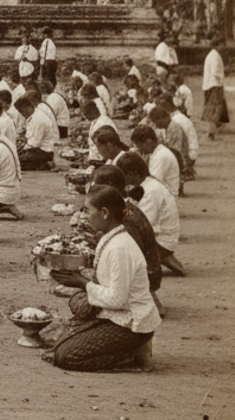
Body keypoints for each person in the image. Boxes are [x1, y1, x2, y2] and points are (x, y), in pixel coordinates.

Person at [45, 185, 159, 371]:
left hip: (130, 324)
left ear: (105, 212)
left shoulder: (120, 248)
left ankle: (129, 356)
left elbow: (117, 299)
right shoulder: (111, 238)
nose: (85, 215)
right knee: (62, 334)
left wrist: (82, 282)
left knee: (65, 356)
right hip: (114, 314)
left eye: (88, 210)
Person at [89, 165, 163, 312]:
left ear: (109, 187)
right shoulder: (124, 207)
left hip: (148, 274)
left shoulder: (126, 217)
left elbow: (130, 255)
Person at [116, 152, 184, 276]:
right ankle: (159, 257)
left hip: (163, 241)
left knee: (119, 247)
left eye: (124, 176)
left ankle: (158, 256)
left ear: (133, 173)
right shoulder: (149, 183)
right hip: (164, 235)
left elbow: (143, 224)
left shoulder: (150, 191)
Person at [130, 124, 180, 199]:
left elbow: (152, 183)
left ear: (148, 141)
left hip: (167, 197)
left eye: (139, 145)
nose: (139, 149)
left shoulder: (161, 155)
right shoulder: (156, 153)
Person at [16, 95, 57, 170]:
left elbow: (34, 143)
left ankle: (45, 164)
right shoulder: (34, 115)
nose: (22, 114)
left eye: (22, 111)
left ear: (28, 108)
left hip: (44, 151)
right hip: (37, 149)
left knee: (16, 163)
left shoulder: (38, 119)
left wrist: (19, 151)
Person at [202, 35, 229, 139]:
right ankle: (211, 132)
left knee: (216, 108)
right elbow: (215, 73)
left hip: (211, 84)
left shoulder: (213, 55)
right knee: (214, 108)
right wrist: (220, 82)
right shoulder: (215, 56)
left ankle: (216, 127)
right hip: (214, 85)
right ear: (218, 45)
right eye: (223, 45)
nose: (224, 47)